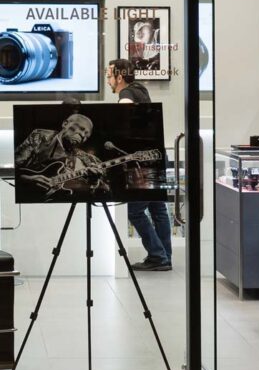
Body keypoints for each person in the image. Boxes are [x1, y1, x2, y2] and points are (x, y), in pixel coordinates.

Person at [106, 58, 172, 271]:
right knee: (157, 208)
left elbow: (123, 121)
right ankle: (165, 256)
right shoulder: (140, 89)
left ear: (120, 76)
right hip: (156, 155)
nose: (108, 81)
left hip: (142, 161)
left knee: (135, 212)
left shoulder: (126, 95)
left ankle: (157, 255)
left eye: (109, 76)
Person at [15, 112, 105, 196]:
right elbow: (14, 169)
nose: (82, 135)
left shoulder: (83, 158)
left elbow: (100, 188)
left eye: (86, 135)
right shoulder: (40, 136)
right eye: (81, 129)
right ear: (65, 124)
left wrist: (94, 182)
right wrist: (27, 179)